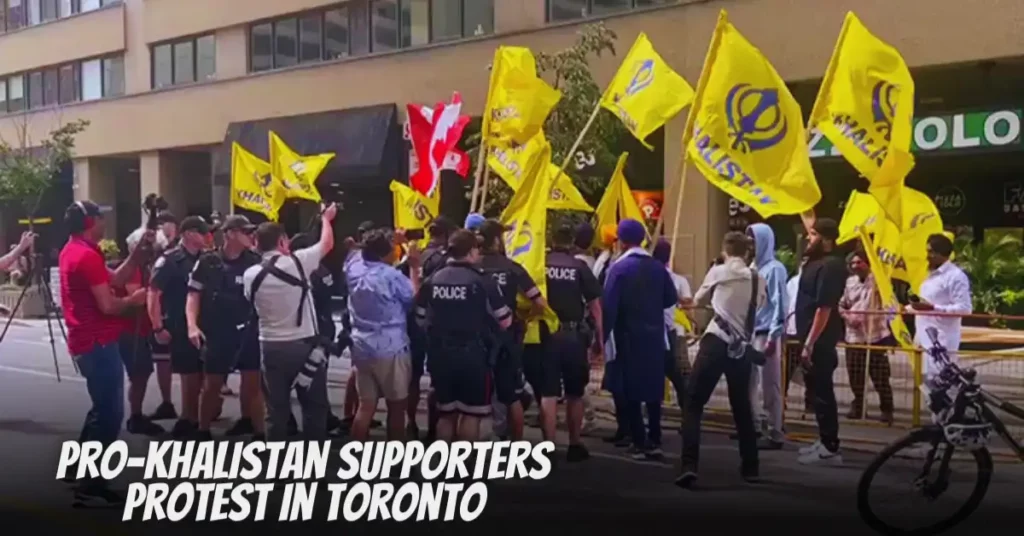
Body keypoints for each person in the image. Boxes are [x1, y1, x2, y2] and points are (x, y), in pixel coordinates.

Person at [59, 200, 148, 506]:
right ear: (89, 222)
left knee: (100, 409)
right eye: (100, 218)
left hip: (89, 342)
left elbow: (115, 280)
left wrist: (137, 255)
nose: (104, 223)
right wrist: (134, 300)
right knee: (111, 415)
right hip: (97, 343)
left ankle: (76, 469)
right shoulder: (85, 256)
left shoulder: (78, 250)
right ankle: (91, 484)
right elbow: (109, 304)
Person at [677, 232, 765, 488]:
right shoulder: (759, 278)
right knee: (742, 409)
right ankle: (751, 467)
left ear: (725, 250)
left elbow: (696, 301)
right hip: (741, 346)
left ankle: (689, 464)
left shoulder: (719, 271)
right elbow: (757, 307)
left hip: (716, 340)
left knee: (693, 403)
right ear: (746, 252)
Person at [244, 204, 338, 441]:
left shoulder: (250, 274)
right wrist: (326, 219)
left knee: (275, 411)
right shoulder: (298, 263)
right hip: (304, 346)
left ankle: (279, 470)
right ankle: (312, 471)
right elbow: (327, 244)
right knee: (314, 409)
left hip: (269, 346)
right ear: (283, 242)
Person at [414, 229, 511, 441]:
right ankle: (463, 467)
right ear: (470, 251)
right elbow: (505, 320)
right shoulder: (483, 281)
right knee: (471, 414)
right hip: (473, 356)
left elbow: (419, 318)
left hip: (440, 354)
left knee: (446, 414)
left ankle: (444, 466)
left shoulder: (433, 279)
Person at [185, 215, 265, 440]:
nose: (250, 236)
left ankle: (258, 433)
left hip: (248, 331)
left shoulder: (255, 261)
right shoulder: (209, 261)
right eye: (244, 231)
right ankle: (202, 430)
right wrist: (192, 325)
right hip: (218, 332)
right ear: (229, 233)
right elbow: (193, 295)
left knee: (253, 384)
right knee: (212, 385)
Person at [603, 219, 676, 461]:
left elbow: (609, 307)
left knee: (631, 389)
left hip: (628, 336)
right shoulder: (657, 268)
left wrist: (601, 339)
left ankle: (639, 441)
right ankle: (655, 437)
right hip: (655, 336)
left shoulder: (619, 269)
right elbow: (670, 298)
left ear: (622, 242)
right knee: (654, 388)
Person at [476, 219, 546, 442]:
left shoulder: (471, 267)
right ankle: (515, 446)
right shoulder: (511, 267)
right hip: (507, 339)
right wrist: (525, 319)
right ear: (497, 240)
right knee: (512, 396)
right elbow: (540, 302)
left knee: (472, 400)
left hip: (475, 339)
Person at [346, 228, 419, 441]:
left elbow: (356, 252)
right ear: (383, 254)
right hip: (391, 347)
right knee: (396, 407)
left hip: (361, 344)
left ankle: (355, 457)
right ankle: (394, 461)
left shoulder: (353, 268)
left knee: (365, 406)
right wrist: (414, 268)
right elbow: (412, 296)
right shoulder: (391, 276)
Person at [148, 216, 211, 438]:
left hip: (205, 323)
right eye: (201, 232)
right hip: (179, 323)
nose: (206, 236)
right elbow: (154, 293)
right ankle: (187, 418)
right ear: (187, 234)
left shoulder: (207, 259)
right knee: (189, 373)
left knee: (204, 375)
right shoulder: (170, 260)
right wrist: (157, 326)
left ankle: (196, 417)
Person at [794, 218, 848, 465]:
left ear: (827, 239)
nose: (808, 237)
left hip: (820, 341)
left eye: (813, 234)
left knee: (823, 392)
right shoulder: (814, 263)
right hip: (808, 336)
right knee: (815, 391)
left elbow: (824, 308)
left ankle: (830, 446)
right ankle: (824, 438)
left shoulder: (832, 266)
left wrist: (810, 343)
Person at [289, 232, 345, 435]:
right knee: (316, 377)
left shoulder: (297, 272)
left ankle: (294, 422)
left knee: (299, 378)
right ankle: (322, 419)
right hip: (323, 327)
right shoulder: (322, 271)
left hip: (305, 329)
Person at [115, 230, 164, 437]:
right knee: (139, 373)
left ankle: (136, 414)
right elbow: (138, 297)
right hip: (129, 329)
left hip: (139, 328)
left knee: (142, 373)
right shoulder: (134, 270)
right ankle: (134, 415)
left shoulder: (144, 268)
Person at [840, 250, 895, 424]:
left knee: (880, 377)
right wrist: (848, 316)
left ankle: (887, 409)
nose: (856, 266)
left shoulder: (878, 280)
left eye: (860, 262)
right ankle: (858, 405)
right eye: (853, 263)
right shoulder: (849, 282)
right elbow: (842, 304)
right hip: (854, 337)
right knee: (855, 376)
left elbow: (889, 301)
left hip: (875, 336)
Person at [746, 223, 788, 450]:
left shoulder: (774, 269)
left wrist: (774, 335)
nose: (750, 244)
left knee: (769, 385)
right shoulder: (753, 267)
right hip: (749, 334)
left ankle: (775, 432)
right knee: (749, 384)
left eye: (753, 239)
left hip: (765, 334)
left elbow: (780, 304)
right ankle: (754, 426)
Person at [910, 233, 972, 376]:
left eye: (931, 252)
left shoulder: (956, 276)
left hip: (941, 342)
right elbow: (925, 304)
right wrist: (907, 308)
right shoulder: (929, 275)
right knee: (923, 386)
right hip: (922, 339)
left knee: (941, 384)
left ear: (942, 253)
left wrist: (933, 308)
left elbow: (965, 309)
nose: (927, 255)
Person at [651, 239, 692, 424]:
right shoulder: (667, 277)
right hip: (668, 331)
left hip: (667, 331)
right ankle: (687, 415)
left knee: (677, 374)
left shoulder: (670, 278)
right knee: (679, 376)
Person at [148, 211, 181, 422]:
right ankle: (167, 401)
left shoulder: (182, 251)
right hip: (162, 307)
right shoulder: (154, 249)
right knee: (162, 360)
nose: (163, 229)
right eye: (160, 225)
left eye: (167, 225)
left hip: (182, 310)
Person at [783, 258, 815, 416]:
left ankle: (811, 403)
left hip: (809, 331)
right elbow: (787, 304)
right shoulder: (792, 282)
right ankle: (782, 399)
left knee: (810, 370)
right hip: (791, 330)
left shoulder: (815, 282)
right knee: (786, 369)